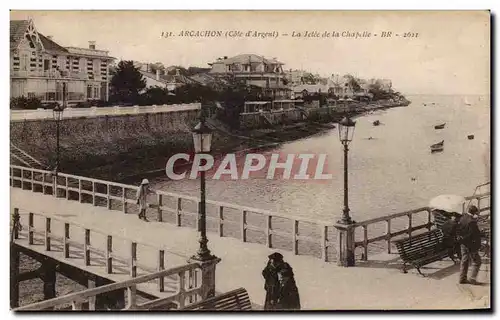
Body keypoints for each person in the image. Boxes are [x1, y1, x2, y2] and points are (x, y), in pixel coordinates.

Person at [457, 205, 482, 285]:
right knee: (477, 261)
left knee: (464, 260)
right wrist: (478, 244)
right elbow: (474, 234)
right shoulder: (472, 222)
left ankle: (462, 278)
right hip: (471, 244)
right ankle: (472, 279)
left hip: (463, 243)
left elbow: (459, 230)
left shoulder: (462, 218)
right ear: (474, 213)